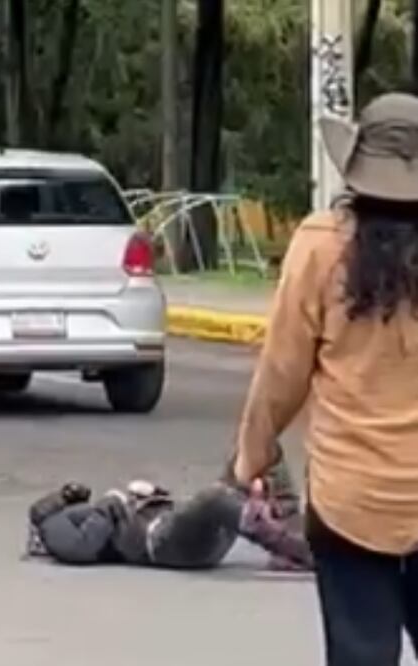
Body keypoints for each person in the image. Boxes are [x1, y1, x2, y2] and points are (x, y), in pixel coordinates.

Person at [233, 92, 418, 666]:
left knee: (361, 654)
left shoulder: (320, 245)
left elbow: (282, 373)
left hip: (349, 502)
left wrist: (252, 459)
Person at [25, 457, 313, 571]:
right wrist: (111, 502)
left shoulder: (77, 513)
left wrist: (147, 494)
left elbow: (135, 512)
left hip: (174, 524)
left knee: (252, 447)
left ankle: (286, 520)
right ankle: (295, 549)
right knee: (213, 499)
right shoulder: (51, 527)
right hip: (161, 544)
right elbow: (81, 549)